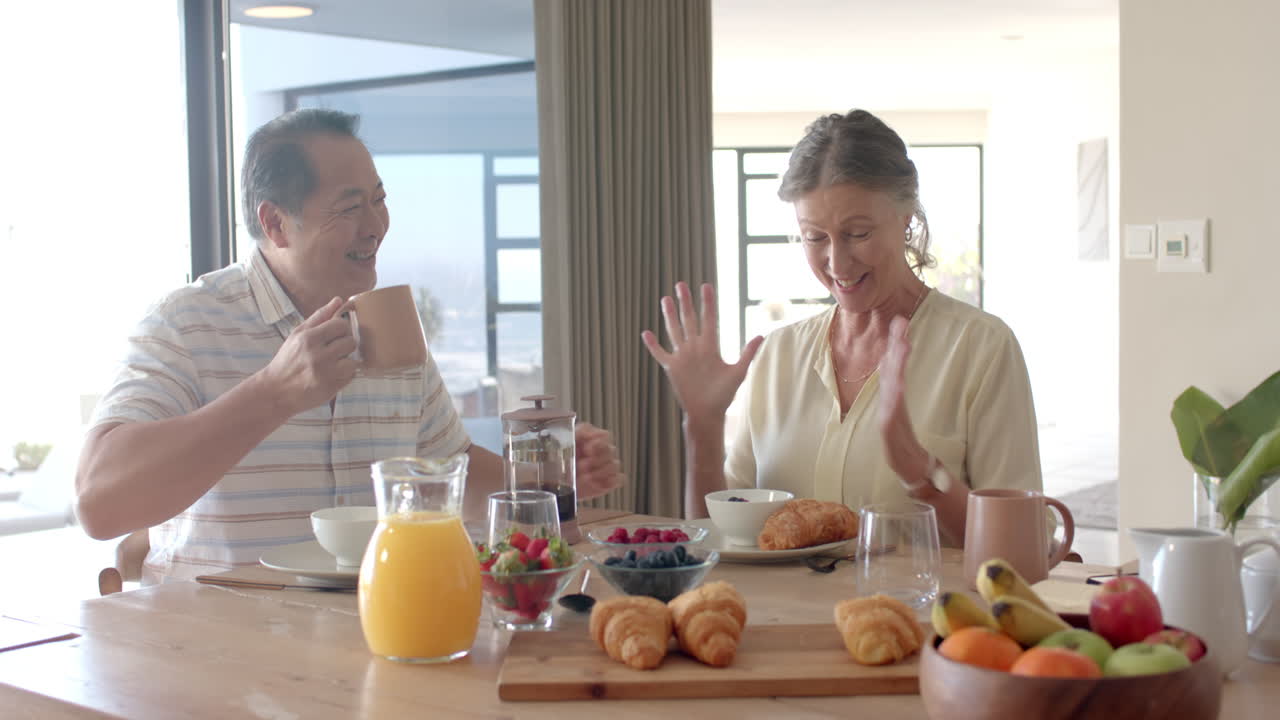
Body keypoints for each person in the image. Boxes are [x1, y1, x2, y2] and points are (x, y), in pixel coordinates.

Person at [75, 109, 622, 583]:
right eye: (350, 207)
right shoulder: (187, 323)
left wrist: (543, 481)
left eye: (379, 200)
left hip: (374, 633)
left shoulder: (389, 325)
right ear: (276, 223)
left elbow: (450, 469)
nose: (376, 226)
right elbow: (98, 504)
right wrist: (274, 392)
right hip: (214, 656)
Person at [642, 109, 1039, 546]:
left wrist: (923, 475)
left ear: (907, 216)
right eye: (815, 237)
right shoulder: (778, 355)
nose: (838, 262)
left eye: (858, 233)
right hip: (780, 616)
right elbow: (720, 544)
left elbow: (1023, 549)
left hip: (921, 614)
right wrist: (702, 425)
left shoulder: (980, 347)